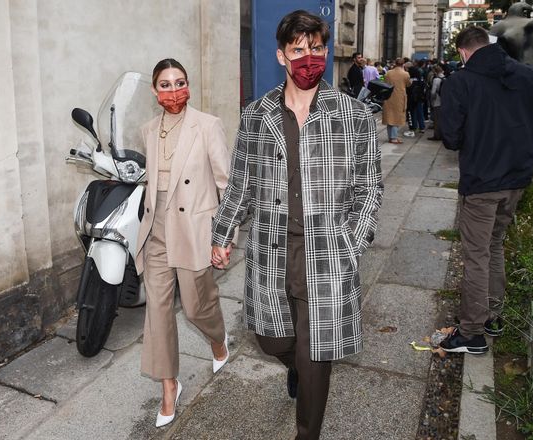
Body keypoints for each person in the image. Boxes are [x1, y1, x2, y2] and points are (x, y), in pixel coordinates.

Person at [210, 10, 383, 439]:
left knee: (315, 351)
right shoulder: (256, 116)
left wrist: (351, 244)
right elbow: (240, 185)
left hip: (327, 252)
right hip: (272, 248)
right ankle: (296, 369)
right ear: (282, 55)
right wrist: (222, 233)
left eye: (318, 48)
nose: (310, 58)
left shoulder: (353, 116)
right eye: (299, 50)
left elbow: (370, 189)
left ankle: (308, 428)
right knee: (271, 340)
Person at [439, 26, 533, 354]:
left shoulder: (461, 81)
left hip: (482, 182)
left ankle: (471, 333)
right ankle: (492, 317)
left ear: (463, 52)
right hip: (516, 180)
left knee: (476, 254)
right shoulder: (529, 77)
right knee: (495, 245)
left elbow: (451, 138)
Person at [136, 58, 231, 427]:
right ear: (154, 90)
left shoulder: (207, 125)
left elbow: (225, 182)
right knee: (157, 313)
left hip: (193, 229)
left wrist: (224, 237)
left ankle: (218, 339)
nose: (173, 91)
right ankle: (169, 386)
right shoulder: (147, 129)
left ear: (188, 85)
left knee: (196, 307)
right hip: (156, 231)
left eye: (179, 83)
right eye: (165, 84)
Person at [382, 57, 410, 144]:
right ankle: (393, 137)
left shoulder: (388, 73)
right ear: (403, 64)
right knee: (397, 117)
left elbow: (385, 82)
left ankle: (390, 136)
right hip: (399, 96)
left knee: (389, 116)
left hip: (389, 96)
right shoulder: (405, 74)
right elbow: (408, 84)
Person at [427, 66, 444, 141]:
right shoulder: (445, 78)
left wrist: (432, 100)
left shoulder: (436, 80)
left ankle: (437, 136)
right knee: (441, 119)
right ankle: (442, 134)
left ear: (435, 71)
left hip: (437, 101)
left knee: (436, 120)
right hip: (444, 101)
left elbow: (433, 92)